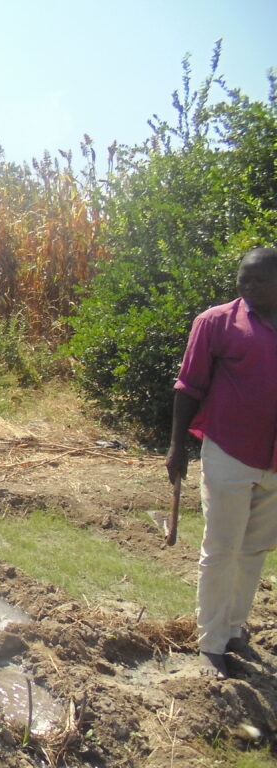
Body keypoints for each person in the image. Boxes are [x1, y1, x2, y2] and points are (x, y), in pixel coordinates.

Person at [166, 246, 277, 680]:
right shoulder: (215, 322)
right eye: (243, 279)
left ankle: (233, 630)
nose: (248, 287)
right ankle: (211, 644)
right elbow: (188, 385)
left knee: (254, 550)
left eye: (259, 281)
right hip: (229, 450)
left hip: (274, 460)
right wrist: (177, 448)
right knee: (221, 549)